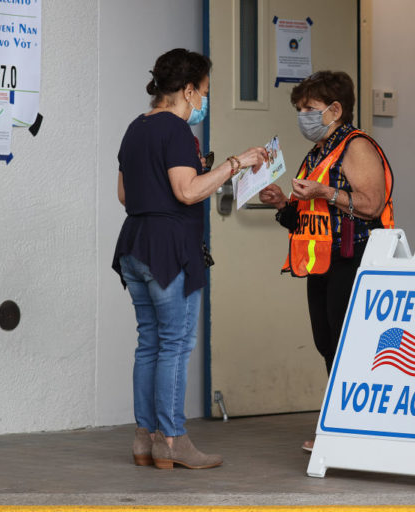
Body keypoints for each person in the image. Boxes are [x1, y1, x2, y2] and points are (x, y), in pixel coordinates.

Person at [112, 48, 267, 470]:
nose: (204, 99)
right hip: (169, 249)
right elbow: (187, 191)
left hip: (134, 243)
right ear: (187, 90)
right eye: (204, 91)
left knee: (150, 342)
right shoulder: (176, 130)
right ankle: (173, 440)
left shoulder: (134, 128)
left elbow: (125, 195)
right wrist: (237, 163)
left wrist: (193, 175)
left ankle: (145, 440)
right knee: (176, 344)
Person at [258, 71, 394, 452]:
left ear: (335, 109)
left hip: (354, 258)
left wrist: (325, 191)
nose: (303, 115)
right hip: (320, 262)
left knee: (350, 343)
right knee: (328, 343)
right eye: (300, 108)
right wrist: (283, 203)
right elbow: (306, 215)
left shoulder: (355, 146)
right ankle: (342, 425)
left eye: (309, 108)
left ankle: (349, 428)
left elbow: (371, 205)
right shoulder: (319, 150)